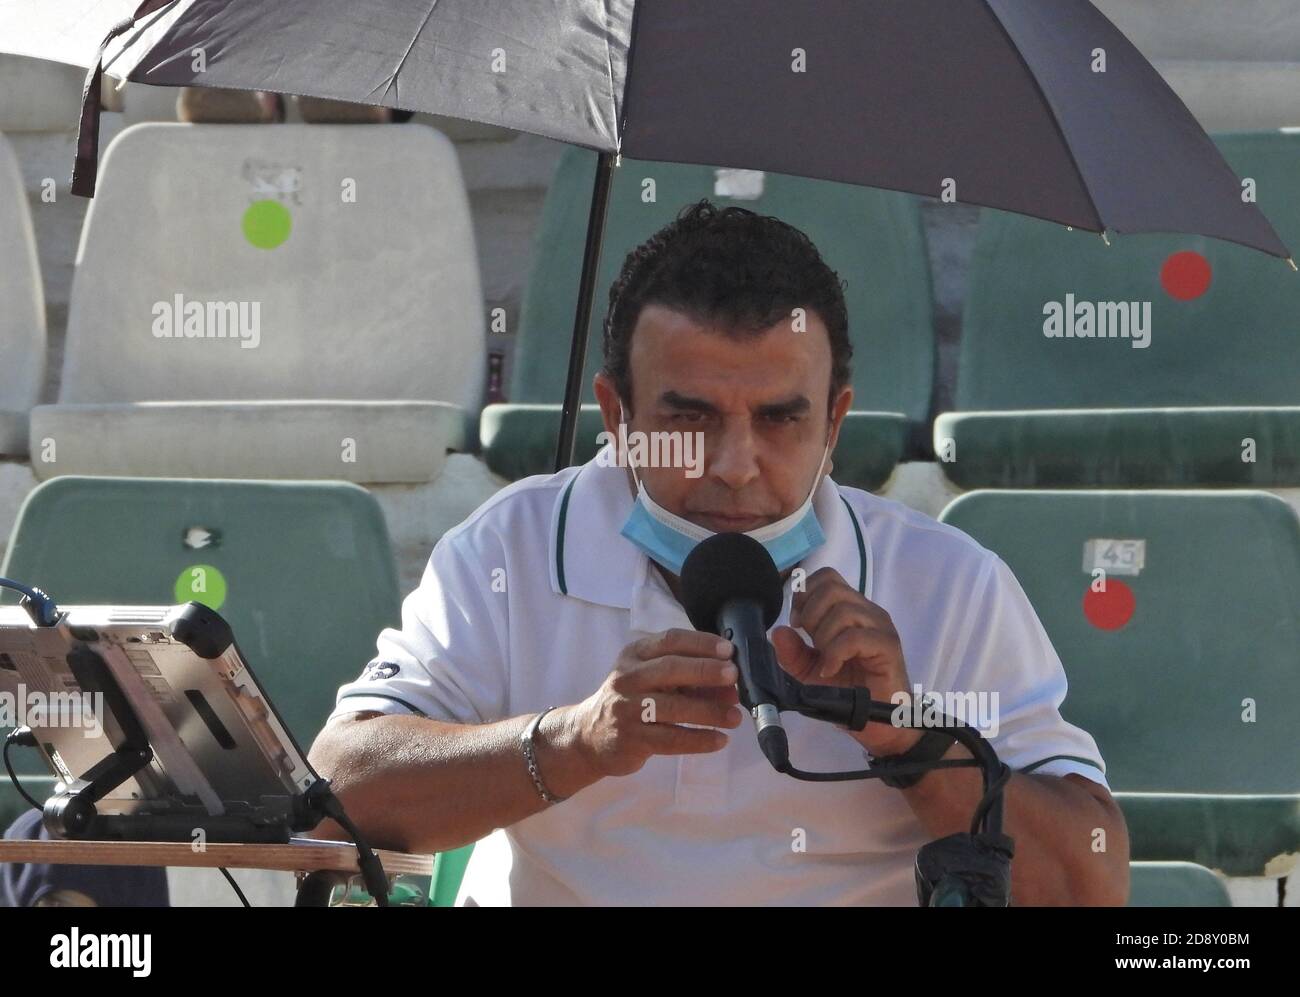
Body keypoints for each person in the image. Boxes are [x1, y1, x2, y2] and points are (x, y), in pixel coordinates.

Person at [308, 199, 1129, 905]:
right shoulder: (512, 546)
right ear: (615, 413)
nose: (734, 465)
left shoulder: (948, 583)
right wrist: (575, 740)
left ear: (836, 422)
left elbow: (1090, 881)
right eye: (689, 417)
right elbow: (335, 790)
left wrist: (909, 739)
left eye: (780, 419)